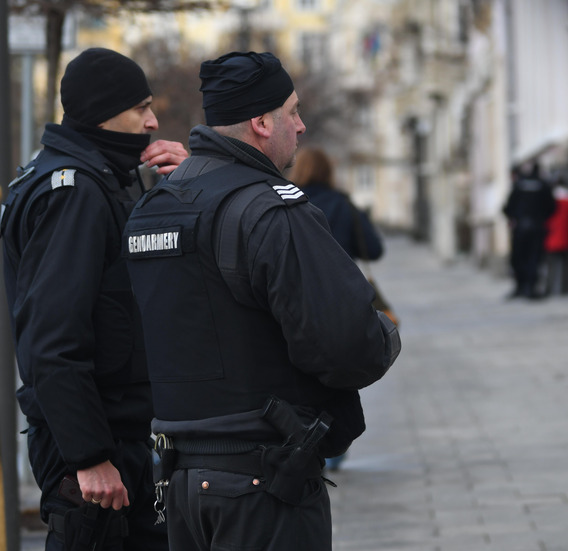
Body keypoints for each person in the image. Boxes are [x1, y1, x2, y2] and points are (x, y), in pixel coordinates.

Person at [122, 51, 401, 551]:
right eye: (291, 112)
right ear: (260, 121)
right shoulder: (269, 208)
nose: (301, 124)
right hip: (261, 481)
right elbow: (347, 343)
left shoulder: (154, 207)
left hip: (180, 480)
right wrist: (384, 333)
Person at [0, 47, 188, 551]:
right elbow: (52, 339)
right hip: (100, 452)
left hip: (117, 438)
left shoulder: (97, 176)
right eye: (140, 108)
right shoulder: (75, 191)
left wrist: (190, 183)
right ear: (105, 114)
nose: (152, 121)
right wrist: (89, 456)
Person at [288, 146, 385, 472]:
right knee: (342, 369)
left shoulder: (286, 203)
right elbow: (374, 248)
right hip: (341, 303)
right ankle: (336, 447)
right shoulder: (342, 204)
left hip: (297, 303)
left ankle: (309, 439)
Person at [503, 161, 556, 300]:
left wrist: (513, 217)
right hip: (537, 227)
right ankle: (530, 288)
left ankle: (520, 287)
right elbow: (552, 206)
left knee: (519, 258)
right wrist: (542, 218)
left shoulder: (519, 184)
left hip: (520, 228)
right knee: (535, 259)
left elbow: (508, 207)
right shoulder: (543, 185)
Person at [542, 177, 568, 296]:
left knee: (551, 266)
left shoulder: (548, 200)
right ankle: (566, 289)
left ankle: (549, 288)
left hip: (551, 237)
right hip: (566, 237)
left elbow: (544, 218)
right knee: (567, 266)